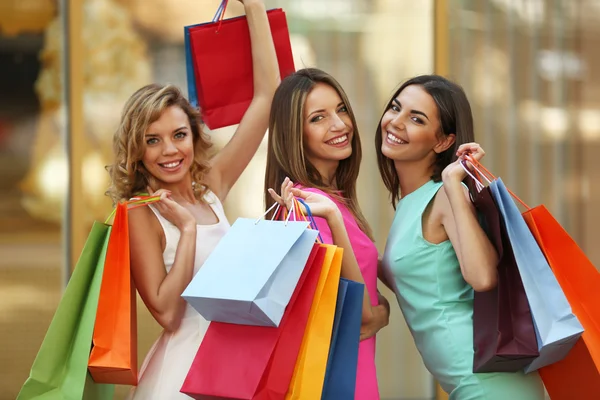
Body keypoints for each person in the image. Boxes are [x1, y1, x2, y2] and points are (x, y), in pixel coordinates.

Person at [105, 1, 280, 397]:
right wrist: (185, 230)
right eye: (153, 140)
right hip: (181, 379)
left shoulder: (211, 187)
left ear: (194, 136)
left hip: (231, 367)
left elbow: (268, 97)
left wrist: (252, 7)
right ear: (137, 150)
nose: (169, 150)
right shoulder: (140, 214)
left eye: (178, 135)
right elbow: (166, 313)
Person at [375, 75, 545, 399]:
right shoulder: (412, 202)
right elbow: (412, 282)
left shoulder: (444, 196)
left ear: (442, 142)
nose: (395, 122)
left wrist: (454, 183)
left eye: (416, 118)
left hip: (489, 387)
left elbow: (482, 276)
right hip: (472, 383)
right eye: (395, 108)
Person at [265, 68, 389, 400]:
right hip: (338, 383)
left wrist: (384, 308)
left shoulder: (332, 202)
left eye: (341, 109)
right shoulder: (311, 211)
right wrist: (377, 312)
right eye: (318, 118)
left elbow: (360, 286)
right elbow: (359, 317)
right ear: (295, 134)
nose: (339, 124)